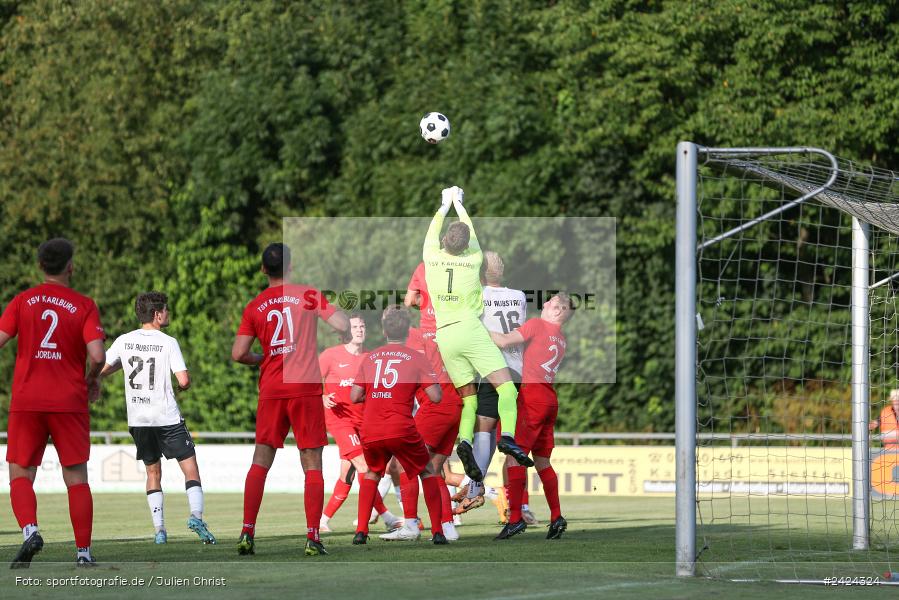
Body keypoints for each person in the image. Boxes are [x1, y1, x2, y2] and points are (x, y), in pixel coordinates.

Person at [231, 243, 349, 556]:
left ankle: (247, 533)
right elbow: (341, 324)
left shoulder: (255, 305)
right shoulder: (308, 294)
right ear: (291, 266)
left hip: (272, 389)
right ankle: (312, 537)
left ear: (262, 270)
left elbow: (238, 353)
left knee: (260, 460)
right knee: (312, 464)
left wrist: (264, 358)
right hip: (305, 389)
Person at [0, 238, 106, 567]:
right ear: (70, 267)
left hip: (28, 400)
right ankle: (84, 554)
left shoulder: (22, 301)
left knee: (20, 473)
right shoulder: (85, 305)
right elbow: (98, 355)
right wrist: (93, 378)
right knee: (76, 478)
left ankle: (31, 530)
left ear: (40, 266)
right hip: (69, 401)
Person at [422, 186, 532, 482]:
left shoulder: (430, 257)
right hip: (471, 330)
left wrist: (444, 205)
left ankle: (465, 441)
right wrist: (460, 203)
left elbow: (433, 231)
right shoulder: (473, 260)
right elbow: (469, 230)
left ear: (444, 240)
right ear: (469, 246)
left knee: (469, 400)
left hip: (444, 335)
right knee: (506, 389)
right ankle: (507, 436)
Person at [100, 291, 215, 545]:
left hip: (138, 419)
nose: (168, 313)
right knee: (190, 468)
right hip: (166, 416)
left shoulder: (123, 341)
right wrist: (185, 385)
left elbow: (103, 369)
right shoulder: (168, 342)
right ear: (157, 314)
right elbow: (183, 380)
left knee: (152, 472)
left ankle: (160, 531)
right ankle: (196, 516)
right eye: (166, 309)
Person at [349, 305, 448, 545]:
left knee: (372, 473)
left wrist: (376, 394)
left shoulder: (371, 357)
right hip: (401, 427)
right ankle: (437, 532)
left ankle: (361, 532)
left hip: (371, 428)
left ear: (384, 331)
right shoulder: (417, 358)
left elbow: (354, 396)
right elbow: (436, 396)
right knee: (427, 471)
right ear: (407, 332)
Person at [489, 293, 573, 541]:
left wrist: (478, 329)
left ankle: (515, 519)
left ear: (558, 310)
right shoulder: (561, 338)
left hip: (531, 397)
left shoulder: (537, 324)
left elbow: (504, 341)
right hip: (548, 398)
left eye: (551, 301)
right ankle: (556, 517)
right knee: (543, 463)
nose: (545, 303)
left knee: (514, 457)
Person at [319, 314, 401, 532]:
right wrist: (321, 397)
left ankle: (322, 520)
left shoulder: (370, 357)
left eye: (363, 325)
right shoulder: (330, 355)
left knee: (347, 474)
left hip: (364, 421)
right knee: (365, 467)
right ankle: (388, 517)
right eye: (355, 326)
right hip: (340, 420)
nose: (360, 329)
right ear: (346, 330)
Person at [406, 270, 463, 539]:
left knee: (409, 462)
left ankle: (410, 524)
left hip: (436, 405)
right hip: (455, 402)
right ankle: (448, 526)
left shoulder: (415, 338)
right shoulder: (452, 331)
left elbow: (409, 300)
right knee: (434, 469)